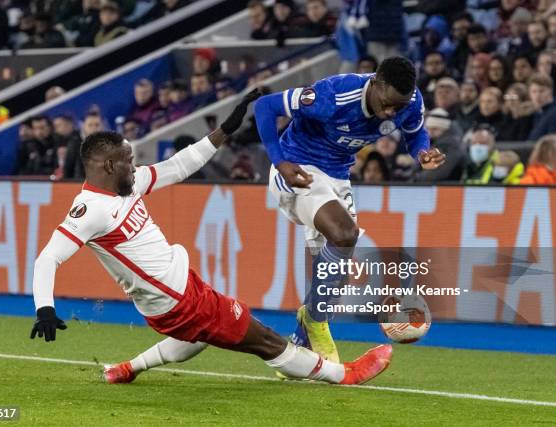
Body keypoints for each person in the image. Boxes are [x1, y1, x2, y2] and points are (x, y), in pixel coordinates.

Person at [29, 90, 392, 387]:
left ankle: (128, 368)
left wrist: (225, 130)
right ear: (108, 166)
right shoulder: (89, 209)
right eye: (128, 160)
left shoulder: (129, 183)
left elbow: (178, 166)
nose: (135, 165)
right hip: (176, 301)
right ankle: (343, 375)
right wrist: (45, 308)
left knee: (201, 337)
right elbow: (48, 258)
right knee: (265, 340)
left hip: (179, 290)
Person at [254, 57, 444, 362]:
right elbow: (264, 106)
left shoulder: (410, 100)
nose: (393, 112)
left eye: (400, 105)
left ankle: (300, 350)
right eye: (388, 104)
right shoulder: (333, 95)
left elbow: (415, 133)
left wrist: (422, 151)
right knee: (345, 234)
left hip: (338, 175)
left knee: (335, 273)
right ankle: (316, 321)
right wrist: (279, 161)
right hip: (298, 167)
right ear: (377, 83)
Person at [416, 108, 465, 182]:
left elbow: (440, 172)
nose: (430, 132)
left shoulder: (452, 146)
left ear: (444, 129)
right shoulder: (431, 143)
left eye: (435, 129)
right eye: (428, 129)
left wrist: (417, 178)